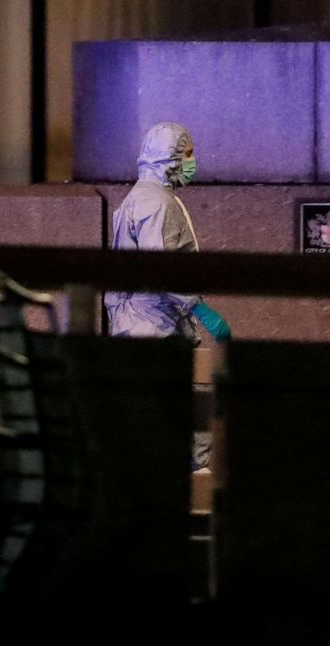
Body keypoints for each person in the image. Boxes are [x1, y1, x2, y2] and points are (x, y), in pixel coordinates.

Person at [105, 121, 230, 470]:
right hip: (156, 326)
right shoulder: (157, 203)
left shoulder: (137, 200)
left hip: (144, 324)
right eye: (187, 153)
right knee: (182, 407)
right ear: (170, 158)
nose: (193, 161)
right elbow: (164, 268)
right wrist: (204, 313)